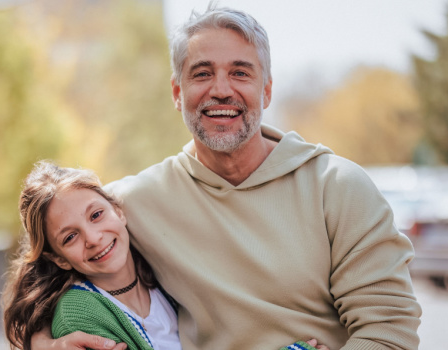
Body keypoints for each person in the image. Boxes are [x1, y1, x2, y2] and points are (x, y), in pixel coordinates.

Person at [31, 4, 421, 350]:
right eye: (202, 74)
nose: (220, 90)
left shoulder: (338, 188)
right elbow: (45, 261)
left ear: (266, 91)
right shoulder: (133, 203)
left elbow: (389, 329)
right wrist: (43, 343)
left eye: (240, 72)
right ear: (177, 92)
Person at [2, 161, 327, 350]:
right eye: (70, 237)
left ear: (118, 210)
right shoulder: (79, 314)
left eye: (96, 215)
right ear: (58, 258)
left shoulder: (161, 276)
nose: (93, 238)